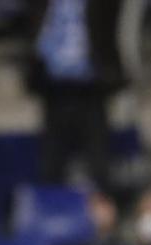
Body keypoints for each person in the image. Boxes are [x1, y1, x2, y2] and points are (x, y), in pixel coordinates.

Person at [24, 0, 126, 196]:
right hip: (54, 89)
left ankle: (103, 209)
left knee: (99, 161)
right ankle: (52, 211)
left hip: (91, 89)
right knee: (51, 160)